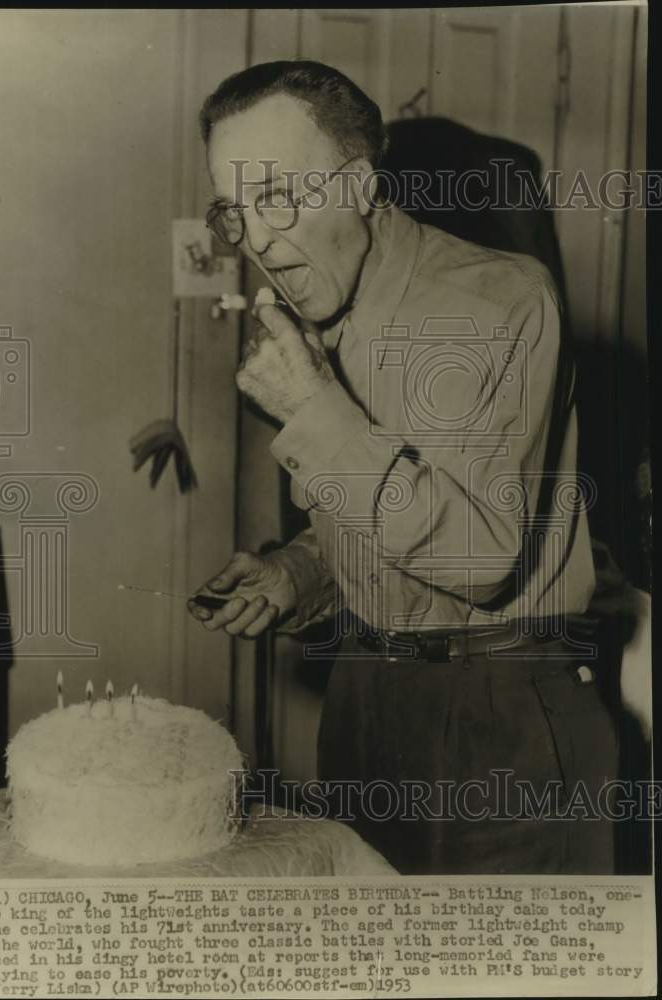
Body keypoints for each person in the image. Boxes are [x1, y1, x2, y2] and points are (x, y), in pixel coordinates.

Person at [188, 60, 617, 874]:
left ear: (356, 184)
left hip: (501, 710)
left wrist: (314, 409)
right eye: (233, 211)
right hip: (365, 697)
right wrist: (296, 576)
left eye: (276, 196)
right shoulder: (323, 319)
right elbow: (371, 526)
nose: (257, 243)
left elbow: (478, 559)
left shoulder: (498, 299)